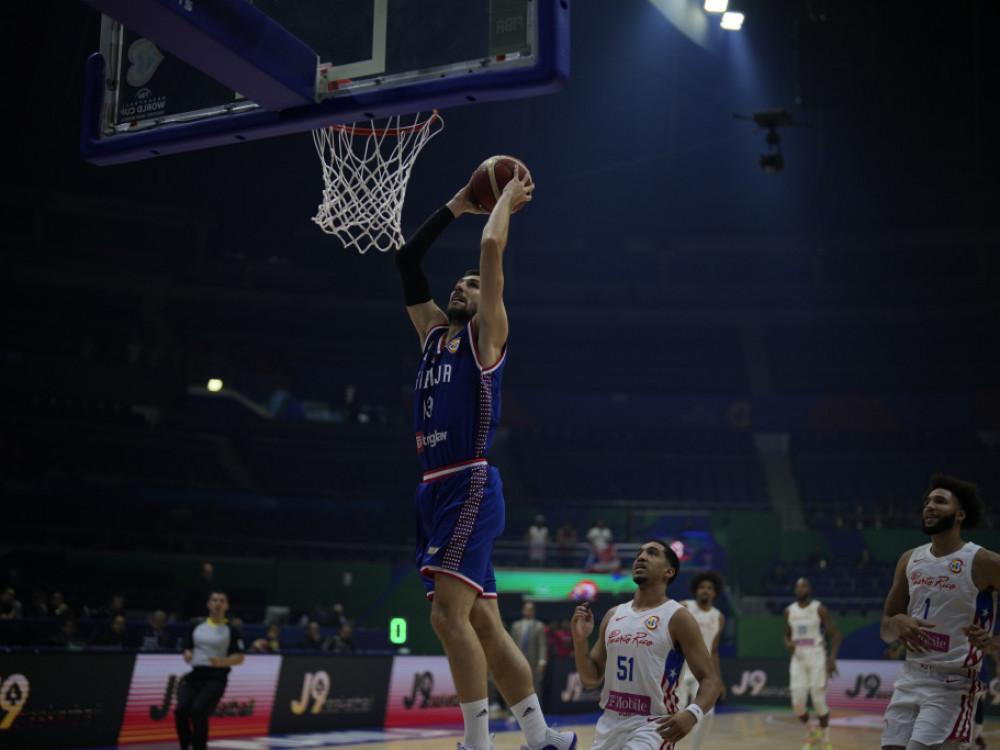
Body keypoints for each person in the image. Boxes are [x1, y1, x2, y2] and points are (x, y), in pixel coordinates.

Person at [395, 167, 574, 750]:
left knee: (446, 617)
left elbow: (492, 246)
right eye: (460, 283)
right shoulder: (433, 336)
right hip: (433, 489)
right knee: (482, 624)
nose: (461, 287)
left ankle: (477, 742)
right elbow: (406, 260)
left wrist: (502, 201)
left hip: (467, 481)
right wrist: (456, 203)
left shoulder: (486, 337)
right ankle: (540, 734)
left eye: (473, 285)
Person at [880, 473, 1000, 750]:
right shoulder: (910, 559)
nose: (929, 506)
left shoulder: (983, 561)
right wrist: (898, 622)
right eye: (927, 501)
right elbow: (886, 627)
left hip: (952, 682)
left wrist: (996, 641)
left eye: (940, 501)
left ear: (960, 515)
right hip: (910, 676)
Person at [570, 540, 722, 750]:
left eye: (652, 553)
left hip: (653, 727)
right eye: (639, 554)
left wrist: (692, 714)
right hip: (609, 724)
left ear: (668, 571)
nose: (640, 557)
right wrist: (580, 642)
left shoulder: (678, 617)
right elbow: (590, 679)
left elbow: (711, 679)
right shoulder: (613, 615)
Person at [175, 591, 244, 750]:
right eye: (214, 600)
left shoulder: (230, 629)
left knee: (198, 711)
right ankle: (185, 745)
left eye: (221, 600)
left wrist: (222, 661)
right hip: (195, 675)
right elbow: (189, 648)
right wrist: (188, 654)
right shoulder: (197, 625)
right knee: (181, 711)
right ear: (208, 604)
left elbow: (239, 658)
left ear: (226, 606)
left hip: (216, 677)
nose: (217, 603)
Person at [784, 577, 841, 750]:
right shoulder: (789, 611)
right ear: (795, 591)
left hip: (816, 655)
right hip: (798, 658)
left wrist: (831, 660)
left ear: (809, 589)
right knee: (797, 703)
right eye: (798, 586)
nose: (800, 589)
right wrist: (787, 643)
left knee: (818, 701)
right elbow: (786, 635)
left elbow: (836, 634)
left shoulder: (819, 608)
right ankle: (811, 732)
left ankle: (825, 740)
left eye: (804, 586)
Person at [676, 571, 727, 750]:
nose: (705, 591)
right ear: (696, 591)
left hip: (703, 672)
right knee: (676, 711)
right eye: (702, 587)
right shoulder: (684, 607)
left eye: (709, 588)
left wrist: (718, 679)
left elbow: (713, 650)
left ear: (715, 593)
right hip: (680, 668)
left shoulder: (718, 616)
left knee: (707, 714)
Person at [510, 602, 549, 707]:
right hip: (518, 661)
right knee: (515, 686)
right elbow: (511, 644)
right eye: (526, 609)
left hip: (533, 661)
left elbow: (542, 645)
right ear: (523, 611)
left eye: (531, 609)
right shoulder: (516, 626)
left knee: (534, 687)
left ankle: (536, 711)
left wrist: (542, 661)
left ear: (534, 612)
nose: (528, 611)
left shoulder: (539, 626)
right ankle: (513, 713)